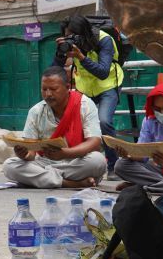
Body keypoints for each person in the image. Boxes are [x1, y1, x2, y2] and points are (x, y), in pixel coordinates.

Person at [3, 67, 106, 188]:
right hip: (46, 163)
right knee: (9, 166)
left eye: (53, 89)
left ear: (67, 87)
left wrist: (65, 153)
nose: (48, 94)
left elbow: (95, 142)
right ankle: (68, 183)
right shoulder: (36, 111)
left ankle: (45, 179)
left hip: (76, 161)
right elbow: (31, 153)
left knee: (97, 161)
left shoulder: (85, 104)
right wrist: (24, 155)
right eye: (44, 89)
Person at [53, 15, 124, 169]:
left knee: (104, 121)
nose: (71, 40)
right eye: (67, 37)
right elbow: (53, 70)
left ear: (84, 33)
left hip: (107, 84)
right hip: (85, 87)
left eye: (73, 37)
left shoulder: (104, 40)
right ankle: (80, 163)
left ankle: (113, 165)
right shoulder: (70, 44)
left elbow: (103, 72)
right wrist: (59, 53)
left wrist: (81, 57)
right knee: (76, 123)